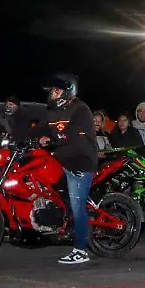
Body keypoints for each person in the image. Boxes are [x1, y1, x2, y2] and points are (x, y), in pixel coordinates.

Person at [38, 74, 97, 266]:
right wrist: (20, 137)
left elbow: (74, 135)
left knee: (78, 207)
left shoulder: (80, 109)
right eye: (52, 91)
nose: (53, 94)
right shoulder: (53, 111)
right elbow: (41, 127)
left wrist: (53, 140)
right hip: (63, 161)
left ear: (67, 91)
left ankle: (81, 250)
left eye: (56, 91)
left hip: (80, 163)